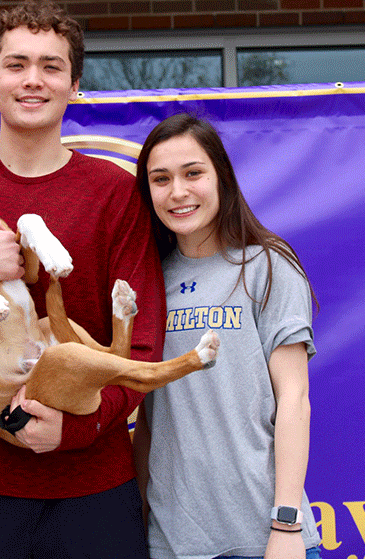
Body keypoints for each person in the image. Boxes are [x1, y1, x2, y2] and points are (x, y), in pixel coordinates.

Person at [0, 0, 166, 558]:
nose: (33, 80)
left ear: (74, 84)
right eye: (17, 64)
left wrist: (75, 430)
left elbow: (143, 341)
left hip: (93, 490)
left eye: (51, 66)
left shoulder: (116, 193)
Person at [132, 113, 321, 559]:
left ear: (222, 177)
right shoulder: (148, 282)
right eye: (161, 179)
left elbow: (293, 398)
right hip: (173, 542)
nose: (178, 191)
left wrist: (286, 525)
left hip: (265, 536)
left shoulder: (267, 265)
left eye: (193, 173)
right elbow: (150, 422)